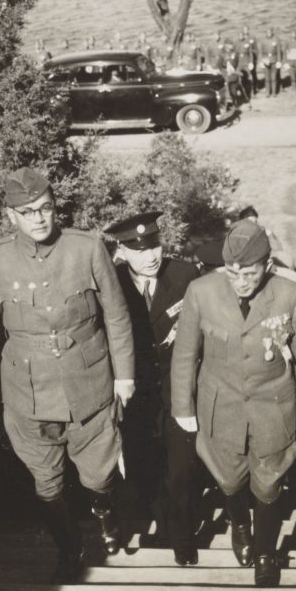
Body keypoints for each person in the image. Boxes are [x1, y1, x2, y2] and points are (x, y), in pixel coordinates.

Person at [0, 168, 135, 583]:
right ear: (11, 216)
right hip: (27, 393)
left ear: (55, 206)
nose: (39, 218)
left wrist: (124, 376)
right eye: (27, 212)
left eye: (45, 208)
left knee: (99, 475)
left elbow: (116, 315)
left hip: (90, 383)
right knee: (47, 483)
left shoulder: (87, 248)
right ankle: (69, 551)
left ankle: (103, 511)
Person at [171, 219, 296, 587]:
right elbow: (185, 354)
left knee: (269, 483)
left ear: (267, 266)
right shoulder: (200, 292)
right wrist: (183, 407)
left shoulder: (290, 295)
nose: (240, 281)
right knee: (229, 480)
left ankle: (266, 553)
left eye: (250, 273)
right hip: (219, 408)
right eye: (233, 272)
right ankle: (240, 524)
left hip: (273, 407)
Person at [104, 211, 204, 566]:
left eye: (155, 245)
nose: (151, 255)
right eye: (138, 249)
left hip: (179, 390)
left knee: (181, 467)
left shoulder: (185, 275)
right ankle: (164, 523)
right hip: (135, 395)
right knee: (145, 466)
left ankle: (183, 537)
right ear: (122, 251)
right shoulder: (111, 283)